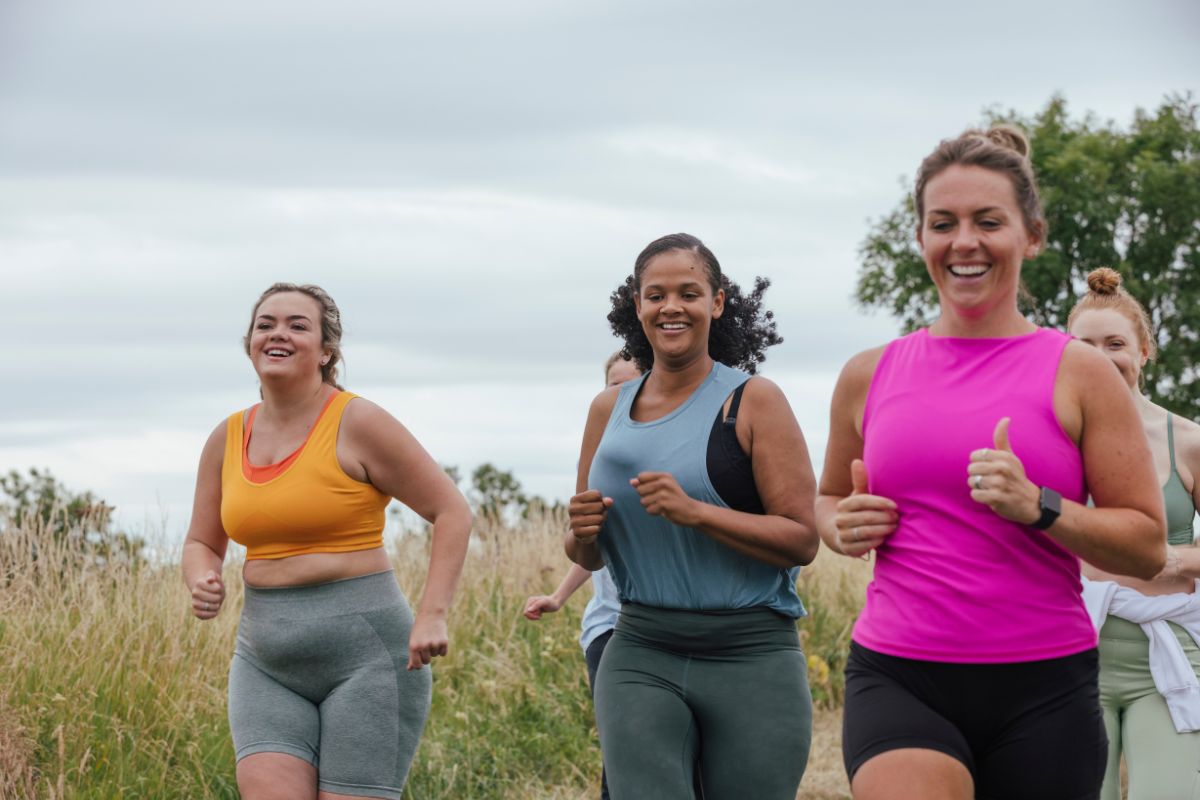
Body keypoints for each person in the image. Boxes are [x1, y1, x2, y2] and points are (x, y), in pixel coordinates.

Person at [816, 127, 1168, 800]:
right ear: (920, 238)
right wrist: (843, 524)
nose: (964, 242)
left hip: (1044, 687)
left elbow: (1147, 548)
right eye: (942, 223)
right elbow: (826, 498)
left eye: (988, 221)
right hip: (899, 673)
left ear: (1031, 235)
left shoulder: (1082, 374)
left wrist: (1040, 506)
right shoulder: (869, 374)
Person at [182, 283, 472, 800]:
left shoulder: (357, 421)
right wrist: (201, 576)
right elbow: (201, 541)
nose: (278, 334)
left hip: (367, 661)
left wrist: (432, 613)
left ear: (326, 349)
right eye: (266, 324)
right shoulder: (227, 436)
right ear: (249, 341)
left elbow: (451, 511)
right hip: (265, 660)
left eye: (298, 325)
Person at [566, 233, 819, 800]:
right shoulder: (607, 409)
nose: (671, 307)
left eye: (689, 292)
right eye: (656, 295)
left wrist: (696, 513)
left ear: (718, 302)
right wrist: (580, 534)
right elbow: (588, 552)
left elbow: (802, 539)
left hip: (752, 654)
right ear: (637, 305)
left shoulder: (755, 401)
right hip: (640, 649)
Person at [1068, 267, 1200, 800]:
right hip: (1071, 656)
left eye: (1115, 344)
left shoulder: (1187, 440)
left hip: (1171, 659)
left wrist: (1168, 562)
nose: (1101, 358)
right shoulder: (1046, 440)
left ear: (1144, 351)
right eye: (1085, 346)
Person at [523, 351, 641, 800]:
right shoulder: (600, 463)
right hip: (610, 627)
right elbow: (592, 549)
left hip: (670, 625)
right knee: (623, 747)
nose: (622, 392)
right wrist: (558, 597)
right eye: (614, 384)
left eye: (634, 381)